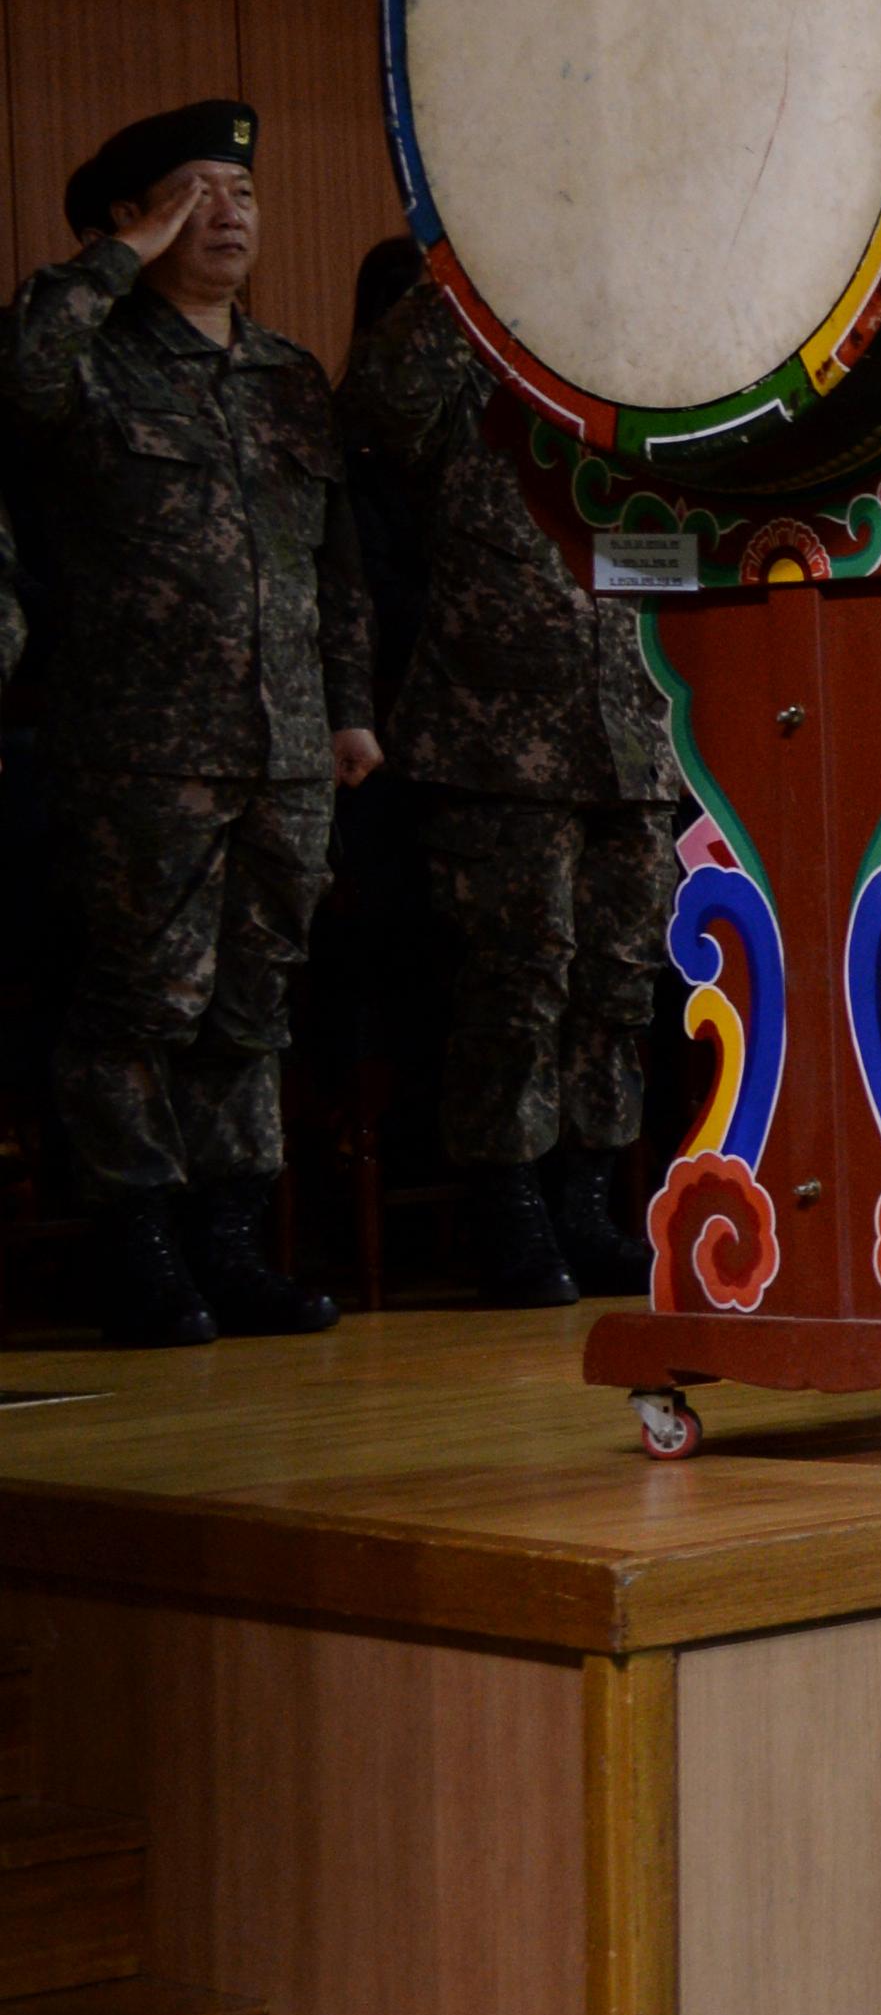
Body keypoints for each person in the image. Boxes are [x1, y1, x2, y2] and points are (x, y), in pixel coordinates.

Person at [6, 101, 366, 1344]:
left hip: (286, 753)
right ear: (131, 214)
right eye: (195, 192)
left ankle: (231, 1245)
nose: (230, 214)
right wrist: (112, 259)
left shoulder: (284, 378)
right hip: (143, 750)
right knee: (139, 1005)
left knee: (252, 1010)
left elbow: (339, 571)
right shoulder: (89, 354)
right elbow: (20, 383)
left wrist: (350, 714)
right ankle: (138, 1248)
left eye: (245, 194)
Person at [342, 275, 687, 1300]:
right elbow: (379, 404)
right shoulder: (470, 377)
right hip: (501, 744)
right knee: (517, 979)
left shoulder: (640, 390)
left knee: (618, 983)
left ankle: (584, 1200)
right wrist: (477, 269)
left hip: (634, 740)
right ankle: (510, 1205)